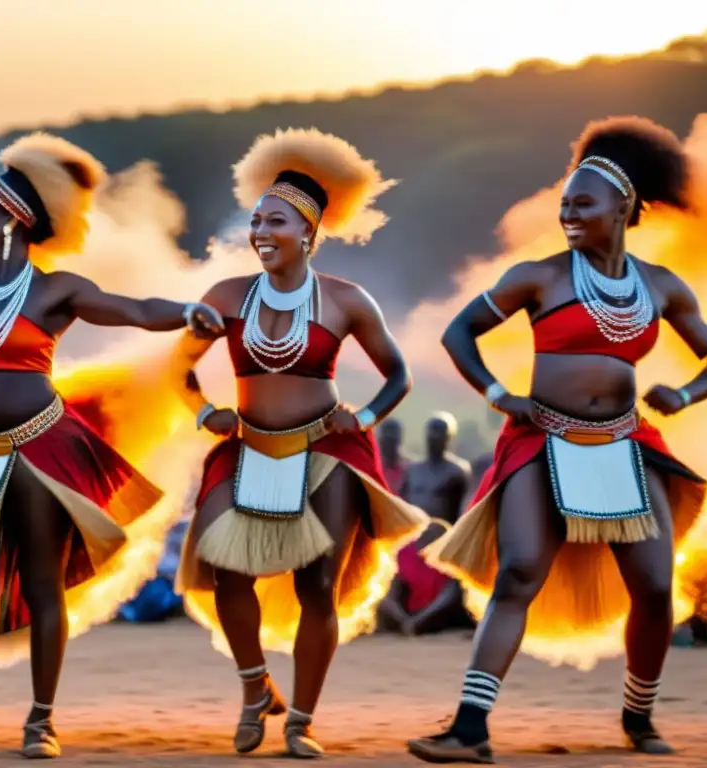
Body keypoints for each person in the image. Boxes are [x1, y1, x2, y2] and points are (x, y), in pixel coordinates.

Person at [0, 133, 224, 758]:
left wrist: (187, 310)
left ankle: (41, 719)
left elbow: (134, 308)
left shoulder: (56, 290)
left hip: (42, 447)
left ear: (13, 219)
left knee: (42, 582)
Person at [407, 117, 707, 763]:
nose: (568, 214)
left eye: (582, 203)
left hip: (625, 445)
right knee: (517, 574)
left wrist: (683, 395)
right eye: (564, 203)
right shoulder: (537, 277)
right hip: (542, 442)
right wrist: (498, 395)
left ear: (623, 208)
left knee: (656, 588)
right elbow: (460, 332)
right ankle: (469, 727)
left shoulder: (660, 287)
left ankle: (639, 715)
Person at [173, 128, 429, 758]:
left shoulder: (346, 300)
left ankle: (302, 720)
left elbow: (399, 374)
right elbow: (177, 367)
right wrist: (205, 410)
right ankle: (256, 687)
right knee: (227, 576)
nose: (261, 231)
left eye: (276, 221)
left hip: (326, 454)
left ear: (309, 232)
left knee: (318, 588)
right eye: (256, 221)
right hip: (247, 448)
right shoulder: (226, 298)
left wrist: (364, 416)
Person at [379, 412, 472, 635]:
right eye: (431, 432)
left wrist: (448, 538)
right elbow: (400, 508)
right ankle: (402, 619)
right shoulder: (413, 471)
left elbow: (464, 512)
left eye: (440, 433)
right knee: (384, 576)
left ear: (450, 438)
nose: (434, 437)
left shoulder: (457, 471)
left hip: (443, 542)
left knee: (455, 582)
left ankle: (423, 620)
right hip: (412, 541)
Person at [377, 417, 412, 492]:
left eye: (392, 441)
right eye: (386, 441)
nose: (389, 445)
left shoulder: (409, 470)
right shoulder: (372, 468)